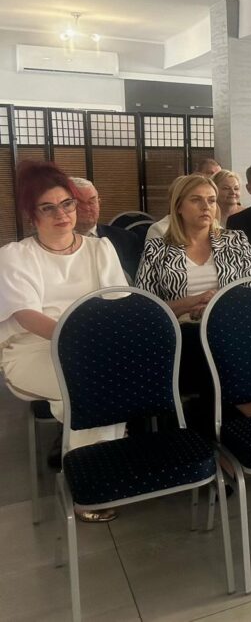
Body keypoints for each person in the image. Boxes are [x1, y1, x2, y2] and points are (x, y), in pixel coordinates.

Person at [0, 162, 129, 520]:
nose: (62, 214)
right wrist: (80, 342)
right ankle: (87, 486)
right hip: (32, 348)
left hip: (93, 348)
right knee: (91, 384)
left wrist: (101, 345)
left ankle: (94, 473)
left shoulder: (100, 249)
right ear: (32, 215)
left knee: (112, 377)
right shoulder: (16, 256)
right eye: (48, 207)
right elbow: (26, 316)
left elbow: (118, 304)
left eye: (67, 203)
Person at [135, 174, 251, 424]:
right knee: (204, 341)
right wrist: (189, 303)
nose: (206, 206)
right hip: (180, 334)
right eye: (196, 200)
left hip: (232, 326)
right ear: (178, 207)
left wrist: (216, 307)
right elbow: (145, 310)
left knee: (222, 340)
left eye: (211, 200)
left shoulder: (236, 241)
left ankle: (220, 430)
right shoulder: (157, 249)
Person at [71, 177, 142, 280]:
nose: (87, 208)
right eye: (79, 203)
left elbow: (135, 281)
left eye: (92, 201)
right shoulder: (54, 244)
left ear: (99, 203)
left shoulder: (126, 239)